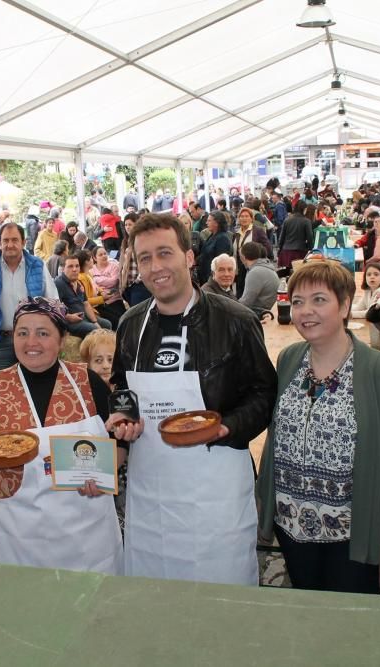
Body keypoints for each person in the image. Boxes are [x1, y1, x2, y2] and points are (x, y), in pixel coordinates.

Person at [109, 213, 278, 586]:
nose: (156, 267)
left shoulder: (235, 320)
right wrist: (122, 417)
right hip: (151, 487)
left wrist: (227, 427)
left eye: (165, 253)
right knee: (156, 590)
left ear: (188, 257)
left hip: (214, 488)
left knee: (220, 592)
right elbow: (121, 387)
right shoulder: (131, 324)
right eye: (146, 258)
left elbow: (264, 393)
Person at [256, 261, 380, 593]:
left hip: (351, 536)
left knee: (351, 627)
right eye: (297, 301)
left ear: (345, 305)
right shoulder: (289, 358)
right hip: (291, 526)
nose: (305, 311)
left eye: (319, 300)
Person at [0, 297, 122, 572]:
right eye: (23, 333)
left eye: (42, 333)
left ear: (62, 339)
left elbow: (119, 444)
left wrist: (103, 473)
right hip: (16, 528)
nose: (31, 342)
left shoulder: (88, 382)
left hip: (85, 525)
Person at [0, 222, 58, 371]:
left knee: (35, 387)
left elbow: (53, 301)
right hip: (1, 341)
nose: (10, 245)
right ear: (0, 242)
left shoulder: (37, 265)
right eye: (5, 240)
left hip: (34, 340)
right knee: (2, 389)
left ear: (23, 242)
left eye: (14, 240)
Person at [55, 255, 112, 336]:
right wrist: (68, 317)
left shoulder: (78, 282)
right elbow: (53, 308)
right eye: (70, 266)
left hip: (83, 317)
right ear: (63, 269)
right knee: (94, 329)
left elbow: (86, 304)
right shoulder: (59, 283)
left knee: (107, 324)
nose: (74, 269)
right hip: (70, 322)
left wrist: (95, 322)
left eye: (77, 266)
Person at [232, 207, 271, 296]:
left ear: (251, 218)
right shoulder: (236, 233)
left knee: (252, 293)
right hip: (240, 269)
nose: (244, 218)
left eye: (246, 216)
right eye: (241, 216)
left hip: (254, 268)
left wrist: (256, 255)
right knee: (240, 293)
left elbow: (267, 248)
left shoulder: (258, 231)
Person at [237, 242, 279, 320]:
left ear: (244, 257)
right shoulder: (265, 266)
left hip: (262, 313)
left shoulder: (255, 272)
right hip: (269, 310)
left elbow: (246, 302)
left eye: (240, 256)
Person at [118, 212, 151, 306]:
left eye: (130, 224)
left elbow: (146, 261)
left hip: (140, 284)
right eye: (126, 225)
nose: (127, 227)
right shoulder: (125, 241)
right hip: (128, 285)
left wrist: (137, 280)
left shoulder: (142, 240)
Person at [89, 246, 125, 328]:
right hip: (99, 303)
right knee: (109, 323)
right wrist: (105, 280)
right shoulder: (91, 270)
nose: (104, 256)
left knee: (122, 321)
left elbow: (113, 282)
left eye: (105, 253)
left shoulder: (114, 266)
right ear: (94, 258)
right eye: (100, 255)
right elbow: (93, 286)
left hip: (114, 299)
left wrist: (96, 279)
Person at [197, 211, 232, 286]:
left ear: (216, 223)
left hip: (215, 281)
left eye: (209, 220)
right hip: (206, 278)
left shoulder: (222, 239)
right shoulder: (212, 236)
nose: (206, 223)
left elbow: (221, 262)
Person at [277, 201, 314, 273]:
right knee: (299, 273)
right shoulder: (306, 221)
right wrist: (311, 250)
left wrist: (280, 250)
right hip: (300, 251)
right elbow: (310, 238)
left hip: (286, 251)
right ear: (304, 209)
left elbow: (281, 238)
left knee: (288, 273)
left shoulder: (287, 220)